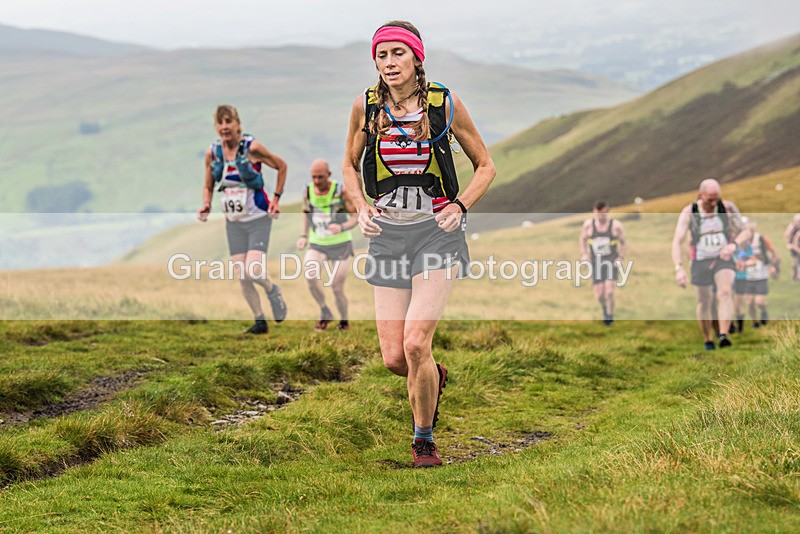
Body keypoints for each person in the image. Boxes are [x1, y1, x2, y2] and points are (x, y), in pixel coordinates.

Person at [342, 21, 495, 467]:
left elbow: (485, 165)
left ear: (416, 57)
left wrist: (460, 207)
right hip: (388, 235)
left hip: (436, 233)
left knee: (414, 344)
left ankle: (423, 439)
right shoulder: (366, 106)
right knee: (395, 358)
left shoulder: (442, 103)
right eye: (382, 55)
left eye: (398, 54)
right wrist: (360, 207)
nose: (389, 63)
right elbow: (349, 166)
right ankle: (434, 375)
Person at [197, 105, 288, 334]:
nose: (224, 127)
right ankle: (259, 321)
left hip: (258, 218)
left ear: (238, 124)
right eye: (220, 122)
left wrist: (276, 199)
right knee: (242, 276)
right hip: (234, 223)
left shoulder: (252, 148)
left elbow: (281, 166)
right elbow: (208, 185)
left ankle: (272, 290)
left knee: (254, 271)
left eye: (229, 121)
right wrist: (206, 203)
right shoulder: (214, 153)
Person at [671, 179, 750, 350]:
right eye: (710, 200)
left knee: (725, 292)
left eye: (716, 199)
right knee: (704, 301)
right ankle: (708, 338)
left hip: (723, 258)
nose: (714, 203)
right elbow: (677, 241)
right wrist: (679, 268)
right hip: (700, 261)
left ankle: (723, 334)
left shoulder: (727, 208)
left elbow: (746, 231)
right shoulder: (689, 212)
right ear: (700, 196)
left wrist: (733, 245)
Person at [296, 159, 358, 331]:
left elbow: (355, 217)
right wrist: (303, 235)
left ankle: (344, 322)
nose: (316, 181)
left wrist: (342, 227)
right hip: (318, 243)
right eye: (314, 177)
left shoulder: (340, 192)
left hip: (341, 243)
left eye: (320, 177)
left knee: (336, 286)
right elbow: (306, 213)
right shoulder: (308, 191)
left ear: (329, 175)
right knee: (310, 276)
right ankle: (324, 311)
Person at [579, 200, 627, 325]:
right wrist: (584, 254)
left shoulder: (615, 225)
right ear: (594, 212)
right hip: (596, 262)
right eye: (598, 214)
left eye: (603, 213)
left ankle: (610, 317)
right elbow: (582, 239)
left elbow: (624, 242)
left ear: (607, 211)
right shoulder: (588, 225)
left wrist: (620, 257)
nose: (600, 216)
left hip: (611, 261)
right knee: (600, 295)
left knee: (609, 291)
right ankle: (605, 310)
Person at [741, 219, 778, 329]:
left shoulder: (761, 239)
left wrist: (772, 266)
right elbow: (739, 256)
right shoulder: (742, 242)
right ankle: (755, 323)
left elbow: (773, 251)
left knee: (759, 301)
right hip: (748, 276)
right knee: (749, 302)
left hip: (761, 275)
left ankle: (764, 311)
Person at [785, 214, 800, 281]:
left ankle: (797, 276)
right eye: (798, 221)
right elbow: (787, 235)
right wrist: (788, 244)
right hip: (793, 247)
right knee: (795, 261)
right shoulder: (792, 227)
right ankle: (795, 275)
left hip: (797, 246)